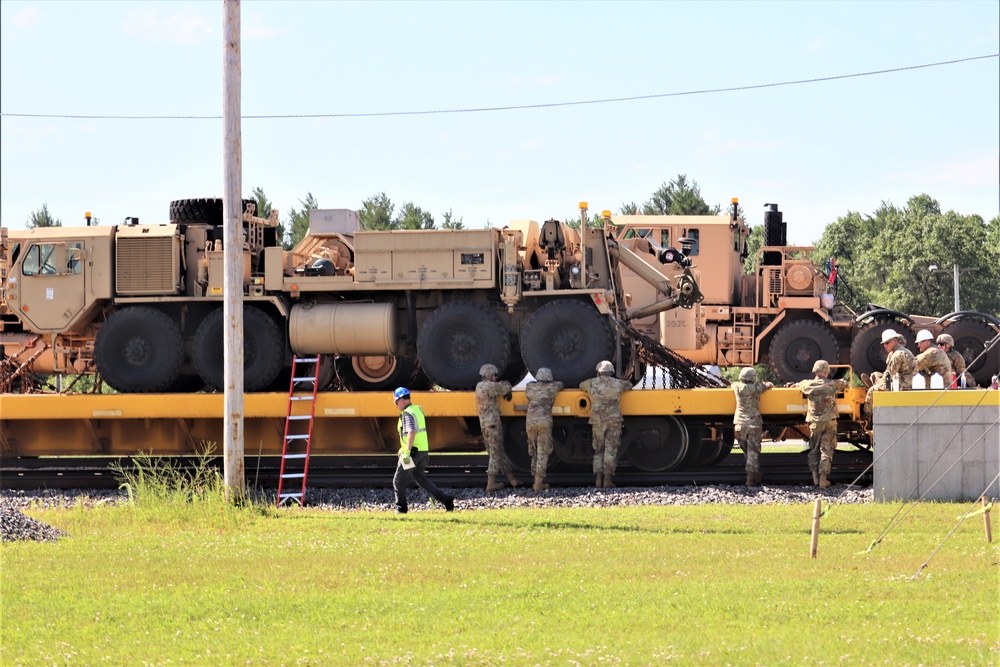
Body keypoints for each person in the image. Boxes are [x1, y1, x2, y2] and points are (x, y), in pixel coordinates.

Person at [392, 387, 454, 514]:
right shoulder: (417, 410)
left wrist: (407, 452)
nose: (396, 405)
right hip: (423, 452)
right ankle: (445, 499)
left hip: (412, 453)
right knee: (420, 478)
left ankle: (401, 509)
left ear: (401, 400)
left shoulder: (407, 413)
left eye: (396, 402)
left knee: (398, 480)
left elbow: (411, 431)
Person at [579, 360, 632, 489]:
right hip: (614, 421)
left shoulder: (591, 383)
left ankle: (598, 479)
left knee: (598, 450)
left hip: (597, 422)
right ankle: (607, 480)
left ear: (598, 371)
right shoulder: (617, 384)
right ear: (611, 372)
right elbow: (629, 385)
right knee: (611, 450)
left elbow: (581, 385)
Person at [798, 360, 849, 488]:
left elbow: (801, 384)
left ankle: (815, 479)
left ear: (814, 371)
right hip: (830, 422)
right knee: (826, 450)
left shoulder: (807, 385)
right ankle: (823, 480)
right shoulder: (832, 385)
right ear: (826, 372)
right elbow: (845, 383)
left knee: (814, 450)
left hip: (815, 423)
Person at [475, 363, 521, 492]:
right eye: (494, 375)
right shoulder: (489, 386)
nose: (495, 377)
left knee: (498, 451)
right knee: (495, 454)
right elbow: (505, 388)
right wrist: (506, 382)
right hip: (492, 424)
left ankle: (512, 479)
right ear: (488, 375)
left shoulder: (479, 386)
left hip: (485, 424)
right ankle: (491, 483)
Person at [731, 367, 774, 486]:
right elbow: (768, 385)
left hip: (740, 424)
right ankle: (750, 478)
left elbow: (732, 384)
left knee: (746, 451)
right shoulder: (757, 388)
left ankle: (754, 473)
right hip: (754, 424)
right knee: (752, 452)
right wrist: (769, 383)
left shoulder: (736, 386)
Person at [524, 367, 564, 492]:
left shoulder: (530, 387)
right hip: (544, 422)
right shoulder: (552, 387)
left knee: (533, 450)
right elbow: (561, 385)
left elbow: (529, 387)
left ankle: (533, 478)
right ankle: (538, 483)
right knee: (543, 452)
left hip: (530, 422)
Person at [864, 328, 917, 419]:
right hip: (908, 381)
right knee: (875, 374)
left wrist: (880, 383)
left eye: (887, 343)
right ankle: (876, 382)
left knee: (871, 391)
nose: (884, 346)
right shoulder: (904, 351)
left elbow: (889, 376)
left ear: (894, 341)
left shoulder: (897, 355)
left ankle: (866, 417)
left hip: (904, 385)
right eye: (884, 343)